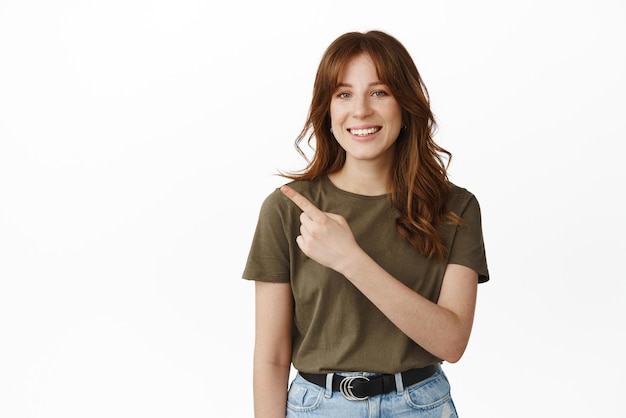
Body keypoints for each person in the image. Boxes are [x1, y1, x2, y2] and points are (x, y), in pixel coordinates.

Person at [242, 30, 489, 418]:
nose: (360, 111)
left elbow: (452, 343)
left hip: (420, 406)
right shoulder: (287, 209)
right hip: (317, 407)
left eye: (379, 92)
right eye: (343, 94)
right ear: (326, 109)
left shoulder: (455, 208)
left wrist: (351, 259)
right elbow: (271, 357)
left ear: (406, 105)